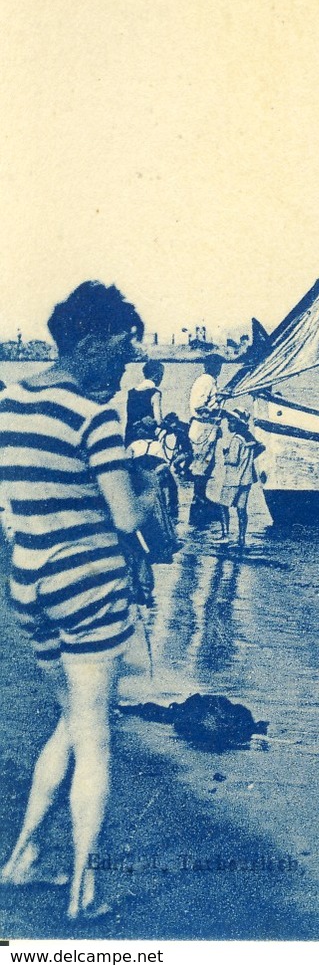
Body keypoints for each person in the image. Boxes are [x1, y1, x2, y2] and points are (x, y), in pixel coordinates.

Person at [0, 282, 157, 919]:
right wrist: (151, 486)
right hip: (89, 586)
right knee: (94, 735)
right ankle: (82, 892)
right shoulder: (97, 418)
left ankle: (23, 858)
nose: (127, 360)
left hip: (27, 584)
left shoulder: (8, 401)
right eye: (121, 347)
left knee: (71, 717)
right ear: (88, 342)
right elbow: (125, 518)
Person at [206, 411, 263, 546]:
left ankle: (225, 535)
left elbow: (233, 460)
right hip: (247, 478)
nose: (228, 424)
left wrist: (225, 454)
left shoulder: (237, 439)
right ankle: (241, 538)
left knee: (223, 505)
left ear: (237, 424)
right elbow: (261, 447)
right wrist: (249, 459)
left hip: (233, 478)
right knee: (241, 509)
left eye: (231, 421)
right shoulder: (249, 437)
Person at [186, 354, 226, 527]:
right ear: (213, 366)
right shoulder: (206, 381)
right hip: (203, 428)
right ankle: (198, 502)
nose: (219, 369)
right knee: (201, 467)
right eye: (218, 365)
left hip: (207, 428)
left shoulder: (208, 381)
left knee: (206, 465)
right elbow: (199, 406)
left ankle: (201, 499)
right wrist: (218, 413)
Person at [124, 360, 165, 442]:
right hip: (146, 439)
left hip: (130, 437)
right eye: (161, 375)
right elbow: (159, 421)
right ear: (157, 376)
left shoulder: (131, 392)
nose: (162, 378)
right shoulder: (155, 393)